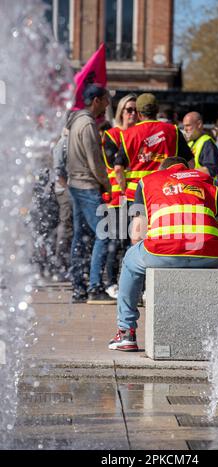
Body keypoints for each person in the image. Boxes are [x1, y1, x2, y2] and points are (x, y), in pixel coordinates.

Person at [108, 157, 218, 351]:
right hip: (210, 254)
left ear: (163, 169)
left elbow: (137, 234)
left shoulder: (148, 181)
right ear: (187, 168)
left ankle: (126, 332)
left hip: (163, 251)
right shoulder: (207, 180)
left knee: (130, 259)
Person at [67, 83, 114, 304]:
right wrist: (106, 184)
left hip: (75, 184)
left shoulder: (76, 121)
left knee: (80, 237)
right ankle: (95, 286)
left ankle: (79, 287)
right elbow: (95, 162)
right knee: (104, 234)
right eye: (106, 100)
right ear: (96, 100)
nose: (107, 105)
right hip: (86, 185)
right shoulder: (87, 125)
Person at [114, 93, 194, 203]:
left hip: (136, 194)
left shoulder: (127, 134)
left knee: (138, 221)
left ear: (138, 114)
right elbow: (190, 164)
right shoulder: (173, 131)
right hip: (165, 192)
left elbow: (118, 169)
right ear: (157, 111)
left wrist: (124, 188)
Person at [102, 94, 138, 299]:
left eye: (135, 110)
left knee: (134, 243)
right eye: (128, 109)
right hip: (117, 197)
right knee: (115, 241)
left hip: (138, 198)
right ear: (121, 112)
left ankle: (129, 283)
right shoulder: (112, 134)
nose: (132, 113)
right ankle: (110, 282)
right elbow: (115, 163)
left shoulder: (141, 133)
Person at [183, 112, 218, 178]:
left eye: (188, 125)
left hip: (205, 186)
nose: (185, 129)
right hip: (194, 185)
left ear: (199, 124)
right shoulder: (190, 143)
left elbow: (211, 170)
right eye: (184, 126)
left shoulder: (207, 143)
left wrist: (185, 173)